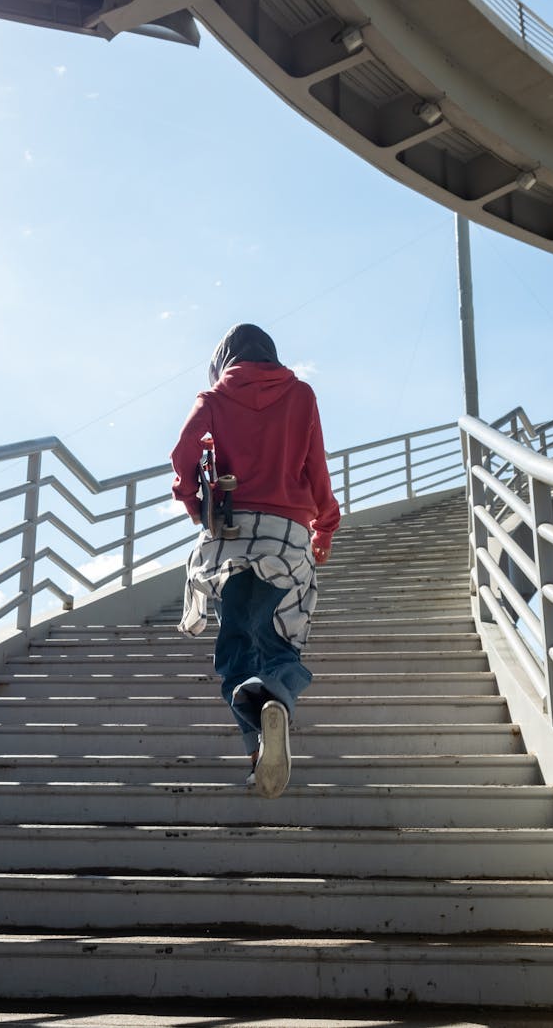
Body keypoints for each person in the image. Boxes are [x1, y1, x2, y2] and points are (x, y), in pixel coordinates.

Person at [170, 323, 340, 798]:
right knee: (280, 642)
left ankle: (256, 748)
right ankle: (278, 703)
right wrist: (325, 525)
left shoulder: (213, 399)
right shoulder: (301, 394)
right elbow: (315, 466)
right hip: (287, 538)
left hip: (232, 539)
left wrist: (191, 500)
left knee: (236, 651)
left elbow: (182, 455)